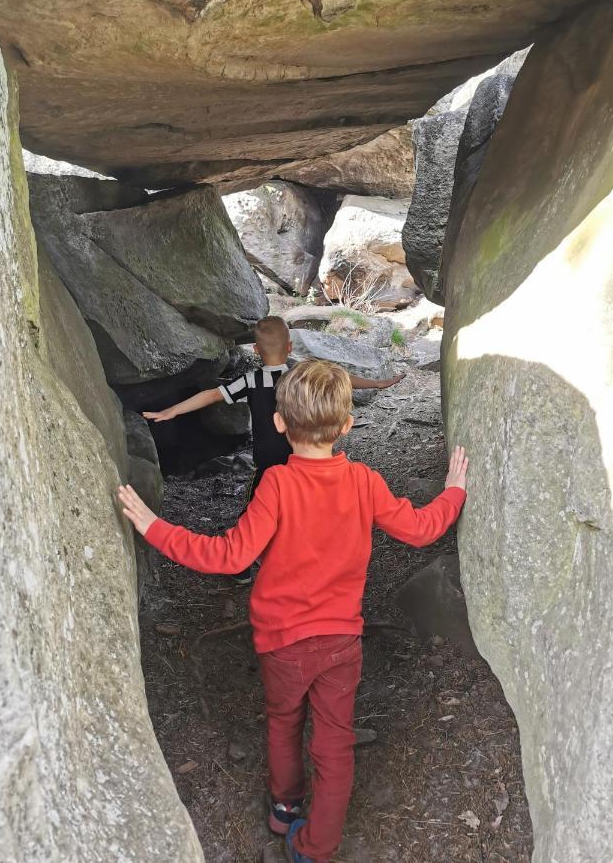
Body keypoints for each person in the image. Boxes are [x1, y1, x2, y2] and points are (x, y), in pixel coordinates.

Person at [119, 360, 468, 863]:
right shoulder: (364, 482)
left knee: (283, 721)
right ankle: (318, 846)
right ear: (347, 425)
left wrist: (156, 527)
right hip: (341, 644)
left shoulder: (277, 485)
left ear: (280, 423)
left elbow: (229, 556)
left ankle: (284, 807)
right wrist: (454, 489)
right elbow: (419, 529)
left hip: (282, 644)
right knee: (334, 744)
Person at [142, 315, 404, 586]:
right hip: (301, 460)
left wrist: (172, 410)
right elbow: (339, 379)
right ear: (290, 347)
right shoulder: (299, 374)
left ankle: (241, 565)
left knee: (254, 511)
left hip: (267, 465)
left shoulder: (251, 380)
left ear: (256, 350)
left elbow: (213, 395)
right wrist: (376, 384)